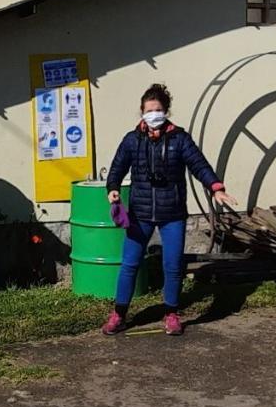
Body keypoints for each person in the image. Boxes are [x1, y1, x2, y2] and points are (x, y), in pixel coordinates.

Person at [102, 83, 237, 336]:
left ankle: (172, 313)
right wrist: (113, 188)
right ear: (141, 112)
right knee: (129, 264)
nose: (154, 114)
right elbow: (117, 168)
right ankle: (118, 314)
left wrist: (216, 187)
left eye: (159, 110)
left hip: (172, 214)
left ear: (166, 111)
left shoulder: (180, 138)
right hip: (139, 213)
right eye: (149, 110)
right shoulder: (132, 140)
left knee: (173, 265)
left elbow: (199, 164)